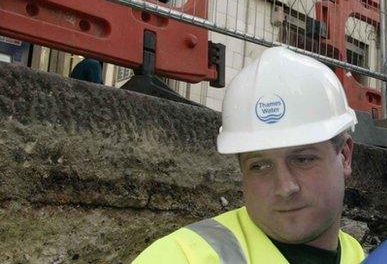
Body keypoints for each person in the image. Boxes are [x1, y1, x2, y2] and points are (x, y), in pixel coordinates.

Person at [133, 46, 365, 264]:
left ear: (344, 156)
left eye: (303, 159)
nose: (285, 188)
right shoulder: (179, 258)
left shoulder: (363, 257)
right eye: (260, 166)